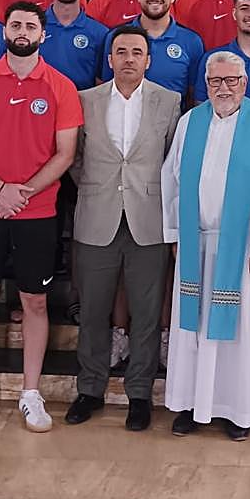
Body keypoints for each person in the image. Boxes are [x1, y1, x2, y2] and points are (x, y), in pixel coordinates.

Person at [0, 2, 83, 434]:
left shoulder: (61, 87)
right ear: (4, 31)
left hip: (38, 211)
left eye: (30, 25)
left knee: (35, 302)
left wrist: (21, 192)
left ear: (43, 35)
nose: (22, 31)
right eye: (15, 24)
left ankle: (30, 393)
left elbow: (65, 153)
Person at [162, 51, 250, 439]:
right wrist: (175, 234)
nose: (223, 89)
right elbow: (172, 179)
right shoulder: (191, 122)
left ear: (244, 83)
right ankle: (189, 405)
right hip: (194, 243)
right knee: (191, 330)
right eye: (216, 82)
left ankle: (234, 411)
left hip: (239, 249)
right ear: (205, 84)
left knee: (235, 331)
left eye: (231, 81)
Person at [65, 26, 182, 431]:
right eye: (121, 51)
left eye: (137, 52)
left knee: (147, 314)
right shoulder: (86, 101)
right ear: (109, 59)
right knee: (94, 310)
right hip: (97, 216)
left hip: (149, 220)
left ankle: (139, 394)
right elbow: (75, 159)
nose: (129, 58)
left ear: (149, 60)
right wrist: (100, 189)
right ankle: (90, 389)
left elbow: (173, 162)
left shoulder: (169, 102)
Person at [99, 0, 204, 100]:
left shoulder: (192, 41)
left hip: (172, 120)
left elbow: (192, 95)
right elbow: (105, 89)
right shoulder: (116, 37)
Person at [40, 0, 109, 90]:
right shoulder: (34, 27)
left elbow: (102, 86)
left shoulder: (100, 33)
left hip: (82, 108)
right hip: (39, 106)